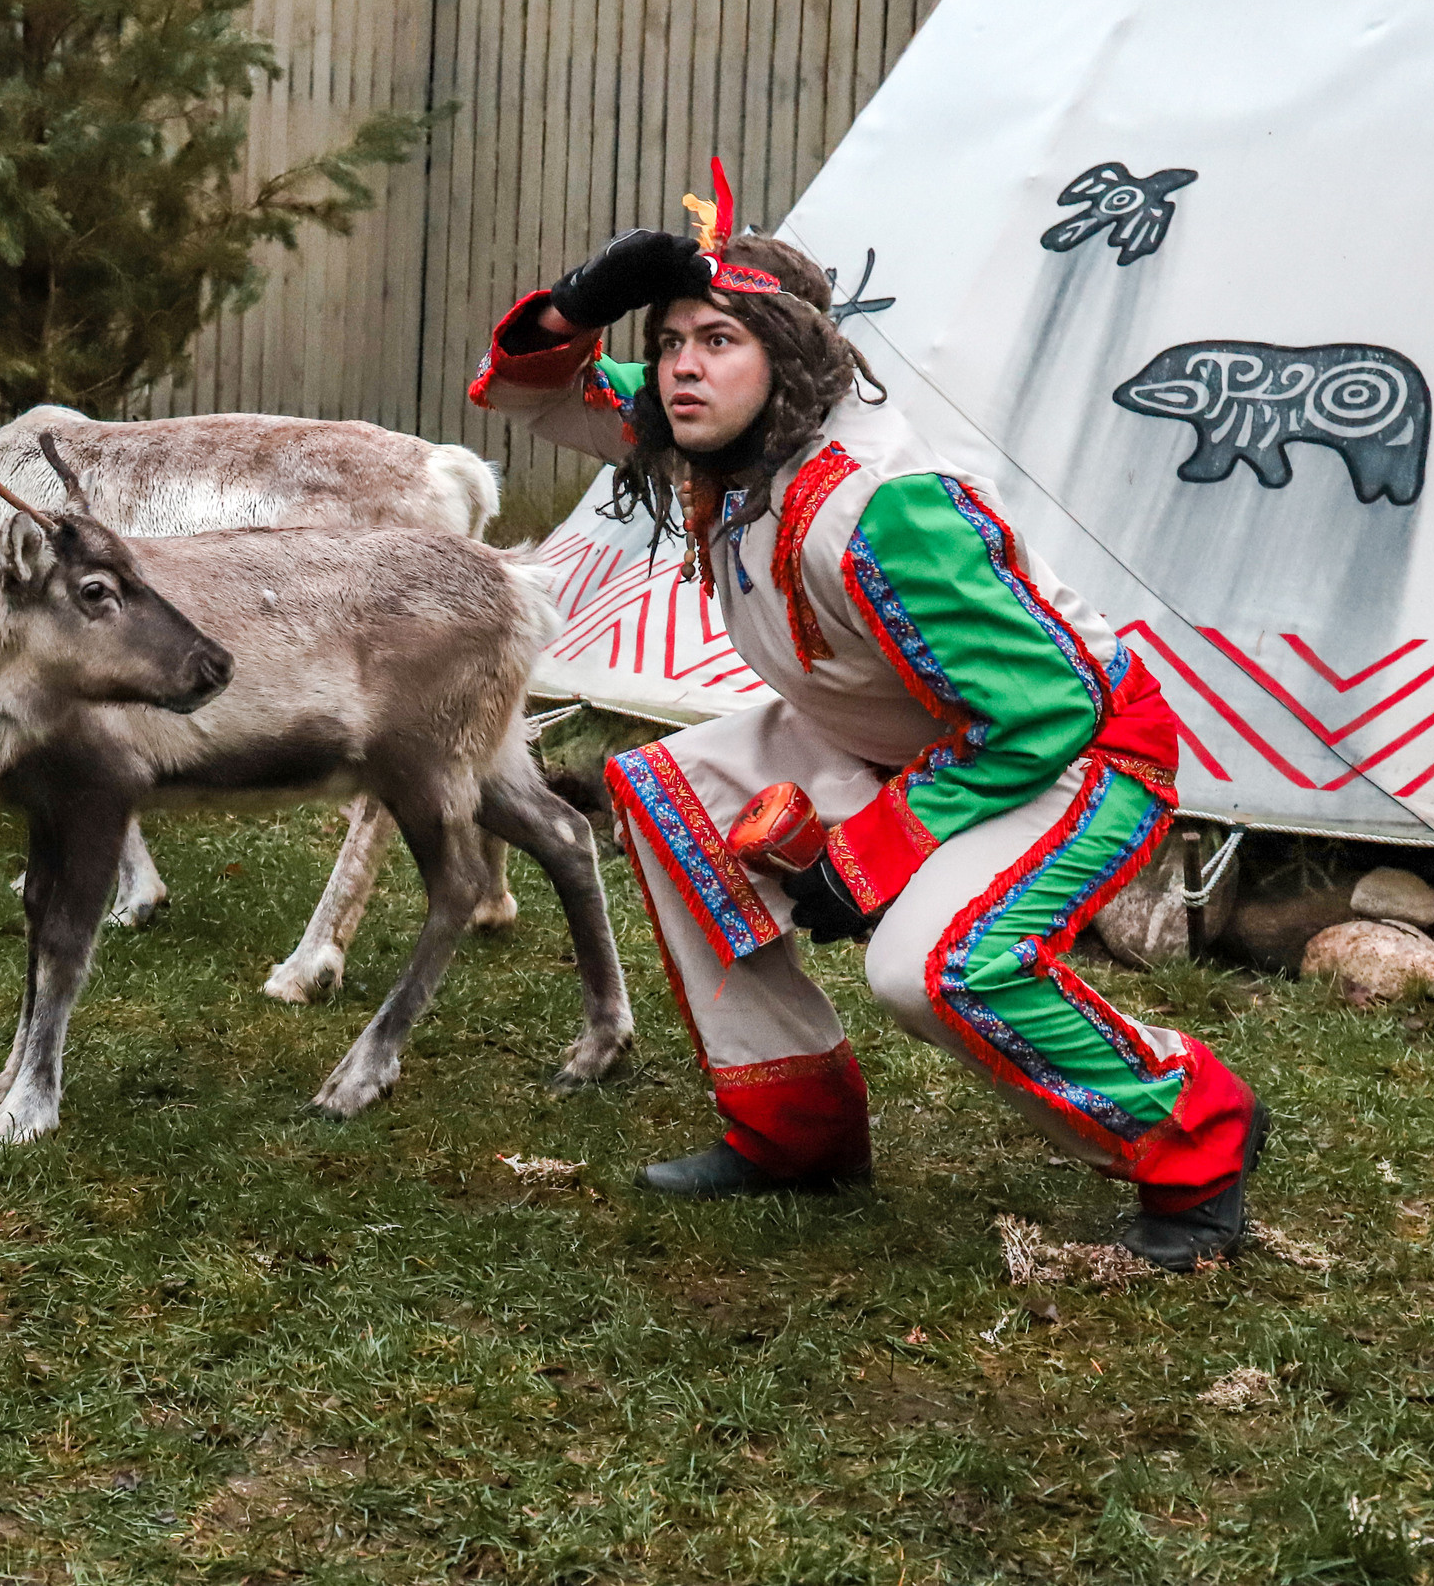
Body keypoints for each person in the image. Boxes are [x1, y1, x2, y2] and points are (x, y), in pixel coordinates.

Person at [468, 169, 1266, 1268]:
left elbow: (1047, 705)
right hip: (899, 734)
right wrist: (578, 299)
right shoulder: (712, 438)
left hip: (1070, 753)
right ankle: (793, 1131)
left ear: (789, 359)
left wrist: (873, 853)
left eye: (720, 341)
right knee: (667, 796)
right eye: (671, 343)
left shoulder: (879, 506)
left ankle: (1195, 1137)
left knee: (932, 968)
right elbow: (521, 388)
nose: (684, 367)